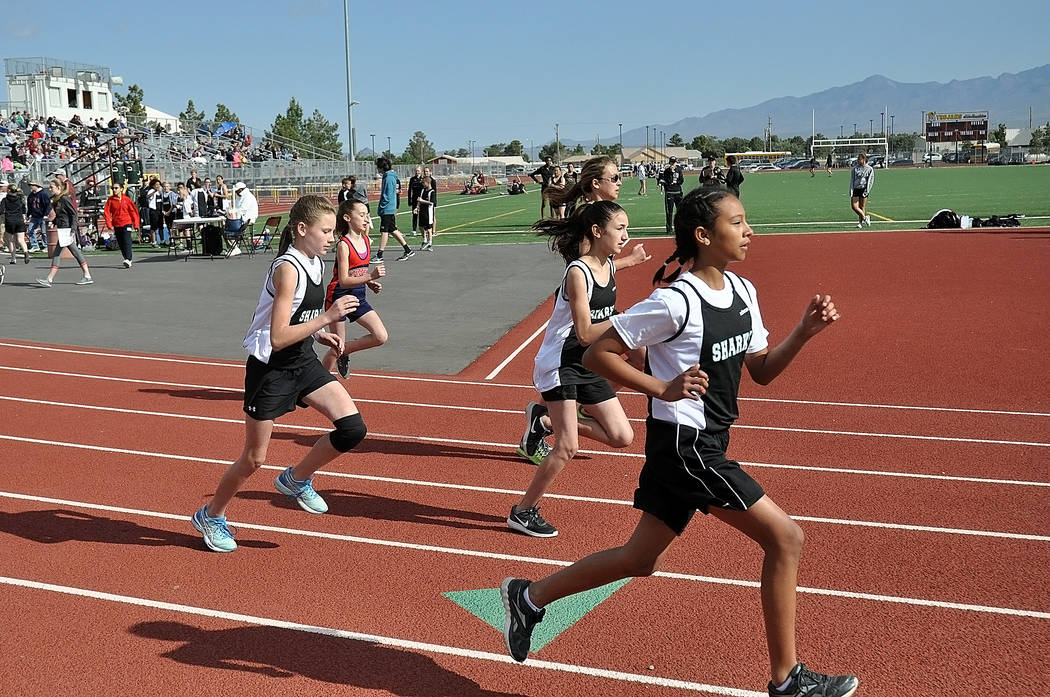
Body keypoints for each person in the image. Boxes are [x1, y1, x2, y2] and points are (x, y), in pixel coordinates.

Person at [500, 187, 857, 697]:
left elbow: (762, 371)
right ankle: (788, 679)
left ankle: (528, 597)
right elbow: (597, 353)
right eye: (738, 222)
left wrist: (801, 333)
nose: (749, 230)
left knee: (638, 559)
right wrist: (659, 388)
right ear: (704, 235)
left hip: (707, 441)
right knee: (786, 538)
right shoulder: (674, 302)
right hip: (686, 447)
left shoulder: (742, 292)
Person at [191, 194, 366, 553]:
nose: (333, 238)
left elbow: (298, 321)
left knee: (353, 429)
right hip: (270, 369)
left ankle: (296, 478)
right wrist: (327, 317)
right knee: (254, 459)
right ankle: (211, 515)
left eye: (334, 231)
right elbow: (278, 335)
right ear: (302, 230)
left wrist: (320, 333)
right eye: (326, 231)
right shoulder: (287, 268)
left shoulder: (316, 263)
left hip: (301, 361)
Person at [508, 201, 639, 538]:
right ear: (597, 232)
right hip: (561, 363)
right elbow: (584, 332)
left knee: (622, 436)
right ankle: (522, 511)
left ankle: (546, 419)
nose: (627, 234)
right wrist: (628, 323)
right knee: (567, 447)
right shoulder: (578, 273)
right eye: (620, 228)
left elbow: (604, 302)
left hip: (588, 361)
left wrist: (631, 265)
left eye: (626, 228)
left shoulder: (607, 264)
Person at [321, 199, 388, 380]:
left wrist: (368, 283)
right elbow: (343, 280)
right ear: (347, 218)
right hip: (339, 298)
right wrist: (370, 277)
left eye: (367, 215)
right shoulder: (344, 245)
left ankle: (345, 351)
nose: (366, 219)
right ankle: (318, 383)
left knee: (380, 336)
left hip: (358, 296)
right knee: (336, 346)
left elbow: (358, 271)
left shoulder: (366, 240)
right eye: (362, 215)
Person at [35, 179, 93, 287]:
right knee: (75, 252)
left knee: (57, 254)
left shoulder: (65, 199)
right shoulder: (57, 200)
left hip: (66, 230)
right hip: (63, 229)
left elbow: (73, 214)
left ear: (58, 187)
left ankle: (50, 279)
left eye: (51, 187)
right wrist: (53, 222)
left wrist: (72, 229)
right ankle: (87, 275)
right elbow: (61, 215)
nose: (50, 189)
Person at [374, 157, 414, 263]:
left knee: (384, 231)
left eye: (378, 167)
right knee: (393, 230)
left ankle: (379, 255)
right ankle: (408, 250)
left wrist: (382, 207)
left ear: (382, 167)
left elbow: (387, 195)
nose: (377, 169)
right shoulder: (390, 177)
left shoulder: (388, 178)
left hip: (387, 208)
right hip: (390, 207)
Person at [102, 183, 140, 268]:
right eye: (113, 188)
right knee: (121, 242)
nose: (114, 190)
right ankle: (126, 258)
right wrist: (109, 225)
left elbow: (133, 212)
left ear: (121, 189)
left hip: (127, 223)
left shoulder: (127, 199)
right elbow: (107, 213)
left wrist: (136, 224)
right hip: (117, 224)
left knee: (127, 240)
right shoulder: (110, 200)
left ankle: (128, 259)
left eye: (116, 188)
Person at [226, 181, 258, 255]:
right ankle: (233, 247)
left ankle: (234, 247)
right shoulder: (240, 196)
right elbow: (237, 208)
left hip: (247, 219)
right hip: (241, 218)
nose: (236, 192)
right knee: (226, 224)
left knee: (227, 227)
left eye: (237, 190)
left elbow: (243, 209)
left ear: (241, 189)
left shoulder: (248, 197)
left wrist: (233, 212)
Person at [1, 184, 29, 264]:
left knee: (11, 240)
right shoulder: (20, 199)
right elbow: (24, 209)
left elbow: (1, 210)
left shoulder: (5, 200)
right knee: (21, 240)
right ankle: (26, 251)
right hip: (19, 220)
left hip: (10, 220)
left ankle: (13, 258)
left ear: (9, 190)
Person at [657, 156, 684, 234]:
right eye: (671, 162)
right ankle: (669, 229)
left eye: (674, 162)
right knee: (669, 211)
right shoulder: (666, 171)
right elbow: (665, 181)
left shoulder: (679, 170)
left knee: (680, 211)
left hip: (678, 192)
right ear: (669, 163)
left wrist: (677, 182)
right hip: (670, 193)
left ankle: (681, 228)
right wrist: (671, 173)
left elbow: (681, 180)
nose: (673, 164)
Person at [849, 153, 874, 228]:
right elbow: (852, 179)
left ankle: (860, 223)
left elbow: (870, 180)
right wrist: (851, 189)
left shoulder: (869, 169)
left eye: (859, 159)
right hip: (856, 188)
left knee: (862, 206)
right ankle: (865, 218)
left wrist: (867, 190)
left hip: (864, 189)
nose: (858, 161)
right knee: (854, 207)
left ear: (863, 159)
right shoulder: (855, 168)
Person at [26, 180, 51, 253]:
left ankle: (45, 245)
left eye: (32, 185)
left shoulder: (43, 194)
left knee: (44, 232)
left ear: (37, 185)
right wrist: (28, 214)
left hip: (42, 216)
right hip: (34, 216)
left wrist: (46, 214)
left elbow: (48, 205)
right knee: (30, 230)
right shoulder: (31, 195)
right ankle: (35, 246)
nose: (30, 186)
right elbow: (29, 206)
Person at [416, 172, 437, 251]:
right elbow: (419, 200)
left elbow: (431, 202)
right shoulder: (422, 191)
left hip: (428, 213)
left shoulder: (432, 192)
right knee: (421, 226)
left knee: (429, 228)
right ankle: (424, 239)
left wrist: (422, 201)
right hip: (422, 211)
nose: (423, 184)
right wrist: (417, 207)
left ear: (428, 183)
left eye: (424, 183)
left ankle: (430, 243)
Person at [407, 166, 424, 235]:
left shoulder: (423, 179)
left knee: (422, 215)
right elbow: (409, 190)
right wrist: (409, 199)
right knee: (414, 214)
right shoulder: (412, 179)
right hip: (414, 199)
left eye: (418, 170)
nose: (417, 172)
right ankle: (414, 229)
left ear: (421, 171)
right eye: (416, 171)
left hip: (422, 199)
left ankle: (424, 229)